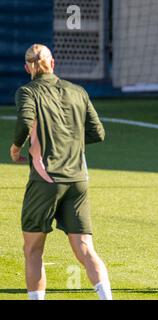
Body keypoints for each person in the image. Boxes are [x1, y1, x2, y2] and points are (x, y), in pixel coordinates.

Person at [10, 44, 112, 300]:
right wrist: (68, 141)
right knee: (85, 249)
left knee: (33, 250)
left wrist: (15, 148)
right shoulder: (78, 91)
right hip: (78, 180)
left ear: (27, 68)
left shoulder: (27, 92)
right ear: (53, 63)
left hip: (46, 180)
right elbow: (98, 133)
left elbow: (24, 122)